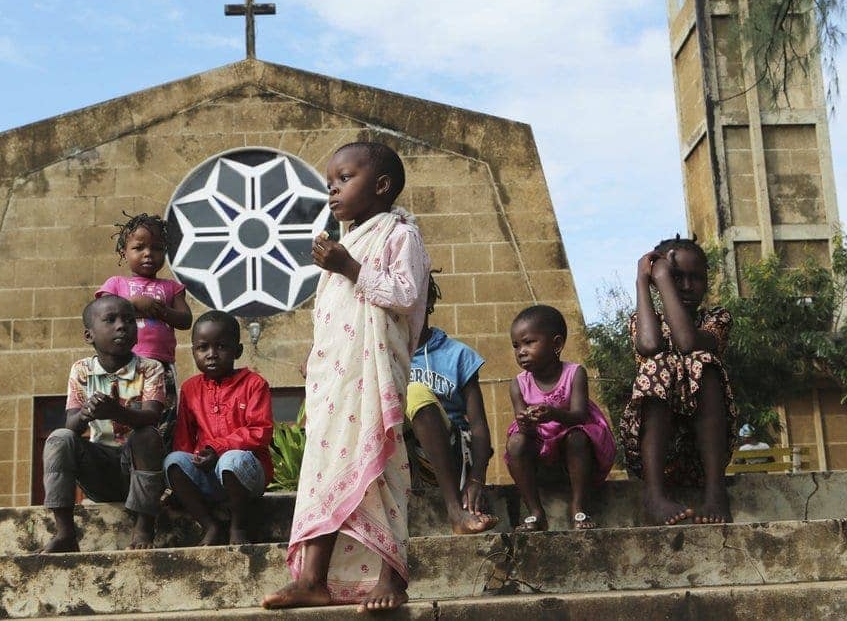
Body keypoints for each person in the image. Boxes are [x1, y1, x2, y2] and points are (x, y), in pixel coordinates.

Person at [263, 141, 430, 613]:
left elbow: (404, 293)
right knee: (323, 470)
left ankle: (391, 577)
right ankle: (312, 579)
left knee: (381, 465)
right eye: (330, 181)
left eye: (344, 178)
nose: (332, 188)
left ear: (380, 186)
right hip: (334, 380)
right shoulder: (345, 241)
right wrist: (317, 357)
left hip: (373, 377)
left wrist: (348, 266)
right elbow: (334, 314)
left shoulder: (401, 235)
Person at [619, 234, 738, 526]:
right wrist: (643, 282)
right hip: (656, 458)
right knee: (656, 364)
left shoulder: (717, 320)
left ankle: (715, 491)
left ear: (707, 280)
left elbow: (686, 341)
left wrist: (662, 276)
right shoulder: (646, 320)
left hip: (702, 457)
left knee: (702, 362)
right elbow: (648, 346)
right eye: (676, 278)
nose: (685, 286)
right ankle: (654, 494)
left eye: (695, 278)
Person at [39, 295, 167, 553]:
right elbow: (71, 425)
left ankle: (143, 525)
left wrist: (116, 412)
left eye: (129, 320)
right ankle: (65, 532)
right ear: (89, 336)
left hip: (134, 469)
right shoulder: (81, 370)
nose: (122, 326)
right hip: (99, 469)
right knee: (59, 438)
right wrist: (87, 413)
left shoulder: (150, 368)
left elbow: (152, 416)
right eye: (110, 320)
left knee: (147, 436)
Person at [163, 310, 273, 546]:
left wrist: (218, 448)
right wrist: (194, 461)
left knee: (231, 459)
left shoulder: (254, 384)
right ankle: (210, 525)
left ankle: (238, 526)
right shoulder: (191, 388)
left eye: (221, 347)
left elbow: (260, 431)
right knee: (173, 461)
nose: (211, 354)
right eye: (203, 348)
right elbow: (184, 439)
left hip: (247, 475)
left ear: (238, 351)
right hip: (209, 475)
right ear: (193, 352)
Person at [505, 305, 615, 531]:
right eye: (516, 346)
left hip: (573, 440)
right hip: (540, 444)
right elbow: (523, 429)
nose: (521, 351)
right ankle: (535, 512)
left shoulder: (574, 373)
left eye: (529, 342)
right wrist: (526, 423)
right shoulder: (519, 384)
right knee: (515, 442)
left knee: (577, 437)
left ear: (556, 344)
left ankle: (579, 508)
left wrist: (553, 413)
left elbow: (579, 416)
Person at [404, 272, 498, 534]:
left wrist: (477, 477)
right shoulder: (383, 354)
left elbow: (478, 426)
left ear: (429, 301)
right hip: (403, 459)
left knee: (415, 393)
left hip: (452, 455)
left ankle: (455, 510)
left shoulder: (457, 355)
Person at [96, 213, 192, 447]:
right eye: (139, 247)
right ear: (124, 253)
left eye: (157, 248)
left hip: (161, 366)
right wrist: (135, 305)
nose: (148, 253)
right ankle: (122, 458)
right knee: (125, 412)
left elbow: (185, 319)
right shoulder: (116, 284)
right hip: (125, 364)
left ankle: (159, 456)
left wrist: (159, 311)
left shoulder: (171, 287)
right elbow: (104, 313)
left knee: (163, 414)